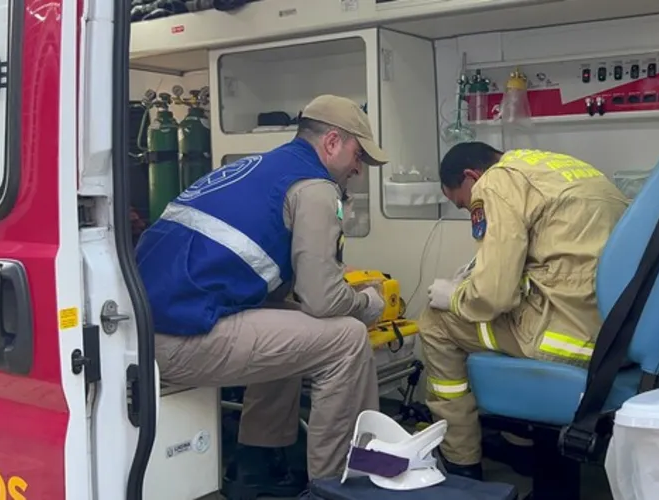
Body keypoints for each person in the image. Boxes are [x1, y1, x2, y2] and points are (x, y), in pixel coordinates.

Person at [134, 95, 389, 497]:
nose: (359, 168)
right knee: (347, 340)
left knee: (295, 326)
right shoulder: (316, 189)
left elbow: (298, 294)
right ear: (333, 142)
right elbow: (323, 300)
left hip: (143, 329)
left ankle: (257, 467)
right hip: (178, 340)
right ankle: (334, 487)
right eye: (359, 155)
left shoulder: (258, 167)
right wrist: (367, 305)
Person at [419, 142, 629, 479]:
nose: (470, 209)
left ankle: (462, 466)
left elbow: (494, 297)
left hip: (563, 337)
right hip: (614, 335)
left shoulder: (496, 182)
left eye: (463, 203)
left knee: (436, 323)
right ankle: (519, 445)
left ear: (471, 177)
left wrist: (457, 295)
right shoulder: (565, 168)